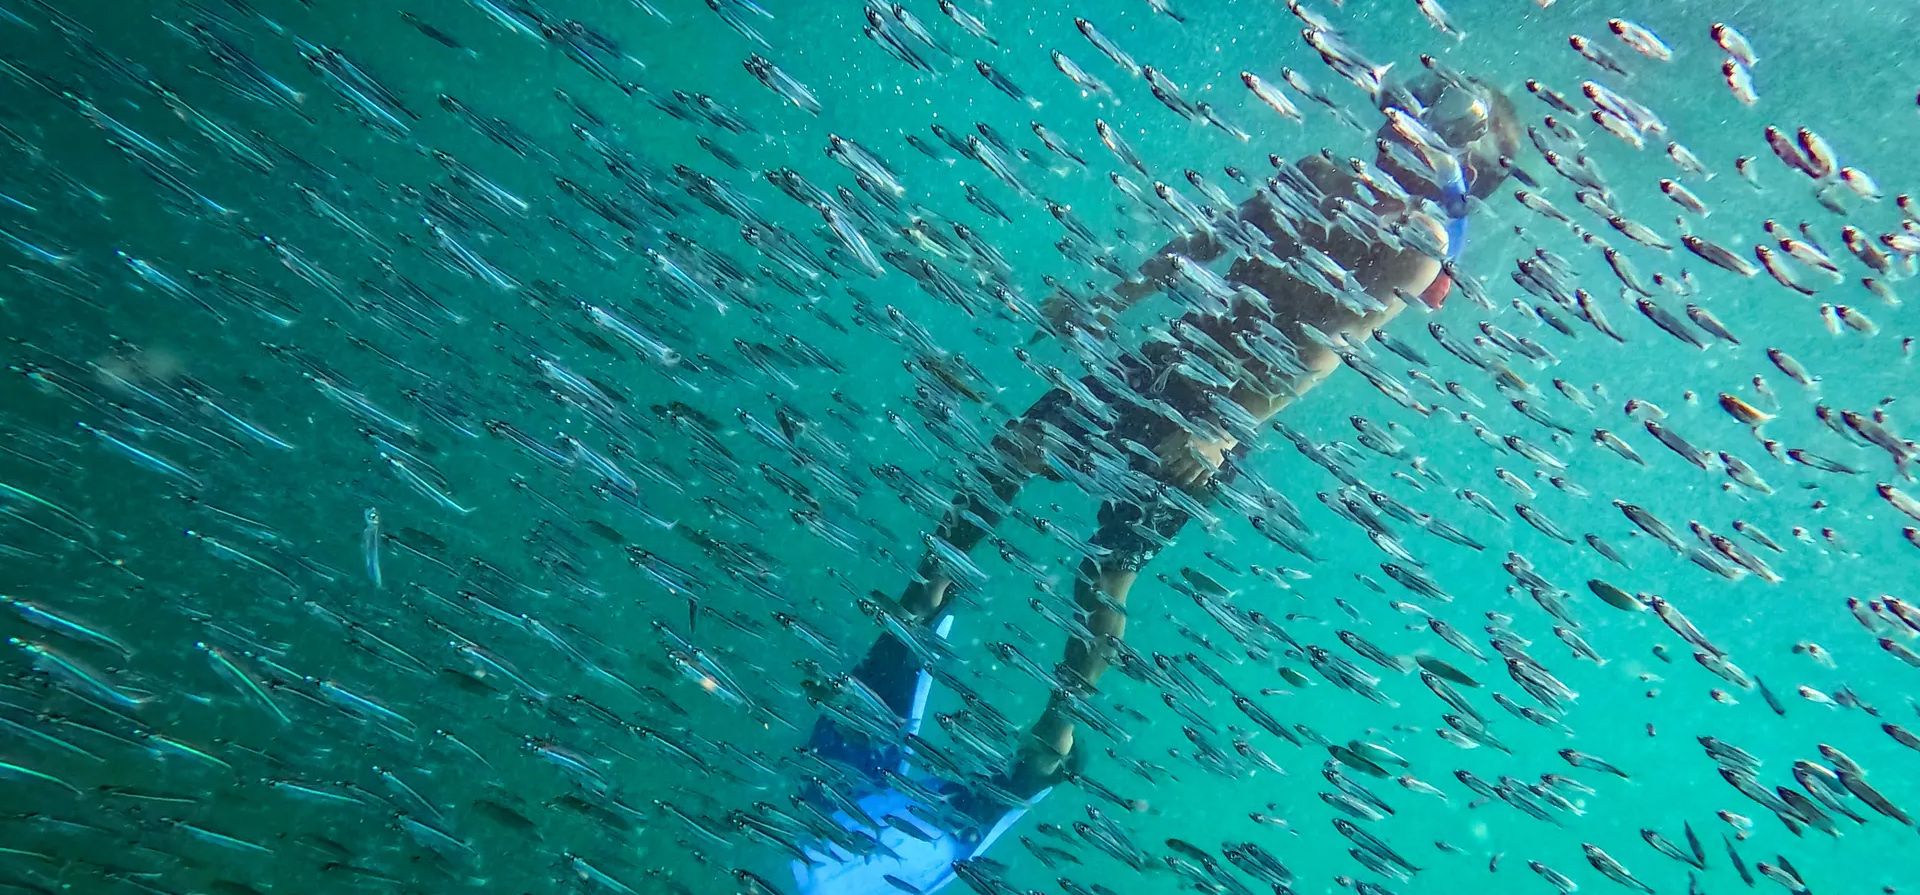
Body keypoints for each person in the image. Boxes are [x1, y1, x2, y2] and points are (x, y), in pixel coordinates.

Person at [793, 70, 1525, 894]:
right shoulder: (1319, 175)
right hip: (1167, 358)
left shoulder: (1419, 243)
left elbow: (1333, 343)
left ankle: (1052, 741)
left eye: (1429, 128)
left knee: (1105, 567)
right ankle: (919, 604)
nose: (1398, 129)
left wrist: (1220, 427)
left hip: (1223, 412)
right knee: (1014, 450)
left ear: (1454, 165)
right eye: (1407, 112)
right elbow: (1211, 239)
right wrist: (1116, 299)